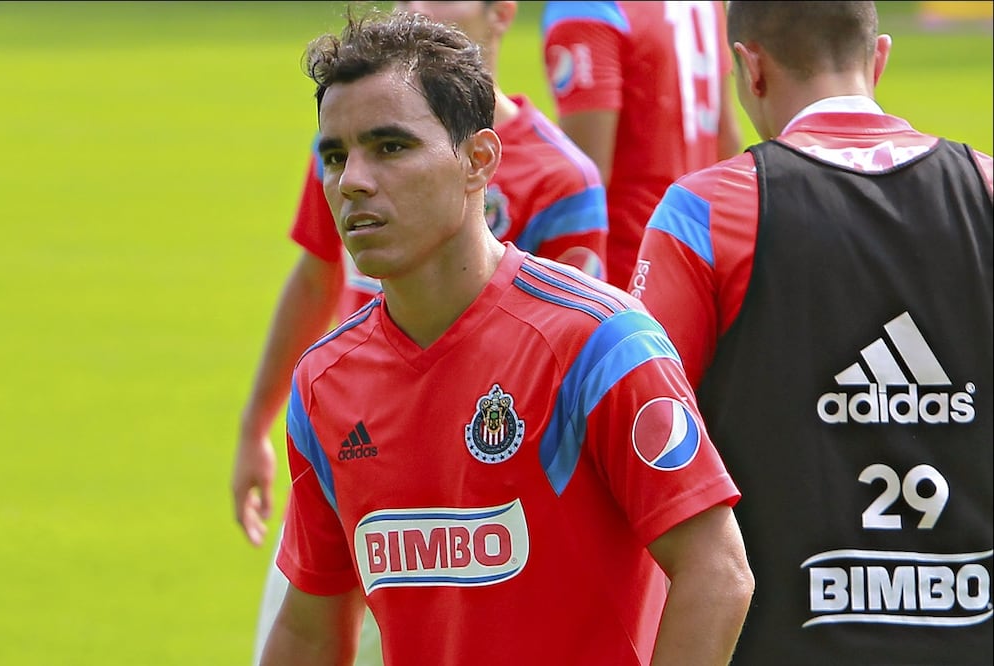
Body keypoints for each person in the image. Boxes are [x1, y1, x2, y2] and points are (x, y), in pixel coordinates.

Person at [258, 9, 754, 666]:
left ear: (479, 160)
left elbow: (718, 572)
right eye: (334, 155)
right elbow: (309, 628)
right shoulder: (326, 382)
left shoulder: (598, 344)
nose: (352, 180)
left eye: (391, 146)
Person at [234, 2, 609, 663]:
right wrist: (255, 426)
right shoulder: (355, 145)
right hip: (351, 439)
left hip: (483, 479)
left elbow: (564, 354)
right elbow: (318, 275)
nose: (355, 178)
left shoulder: (561, 179)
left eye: (391, 148)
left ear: (502, 12)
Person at [632, 2, 993, 664]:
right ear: (878, 57)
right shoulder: (986, 190)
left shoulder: (705, 212)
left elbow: (644, 439)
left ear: (750, 67)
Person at [540, 0, 743, 289]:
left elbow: (588, 178)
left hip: (623, 277)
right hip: (696, 264)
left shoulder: (587, 6)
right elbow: (728, 140)